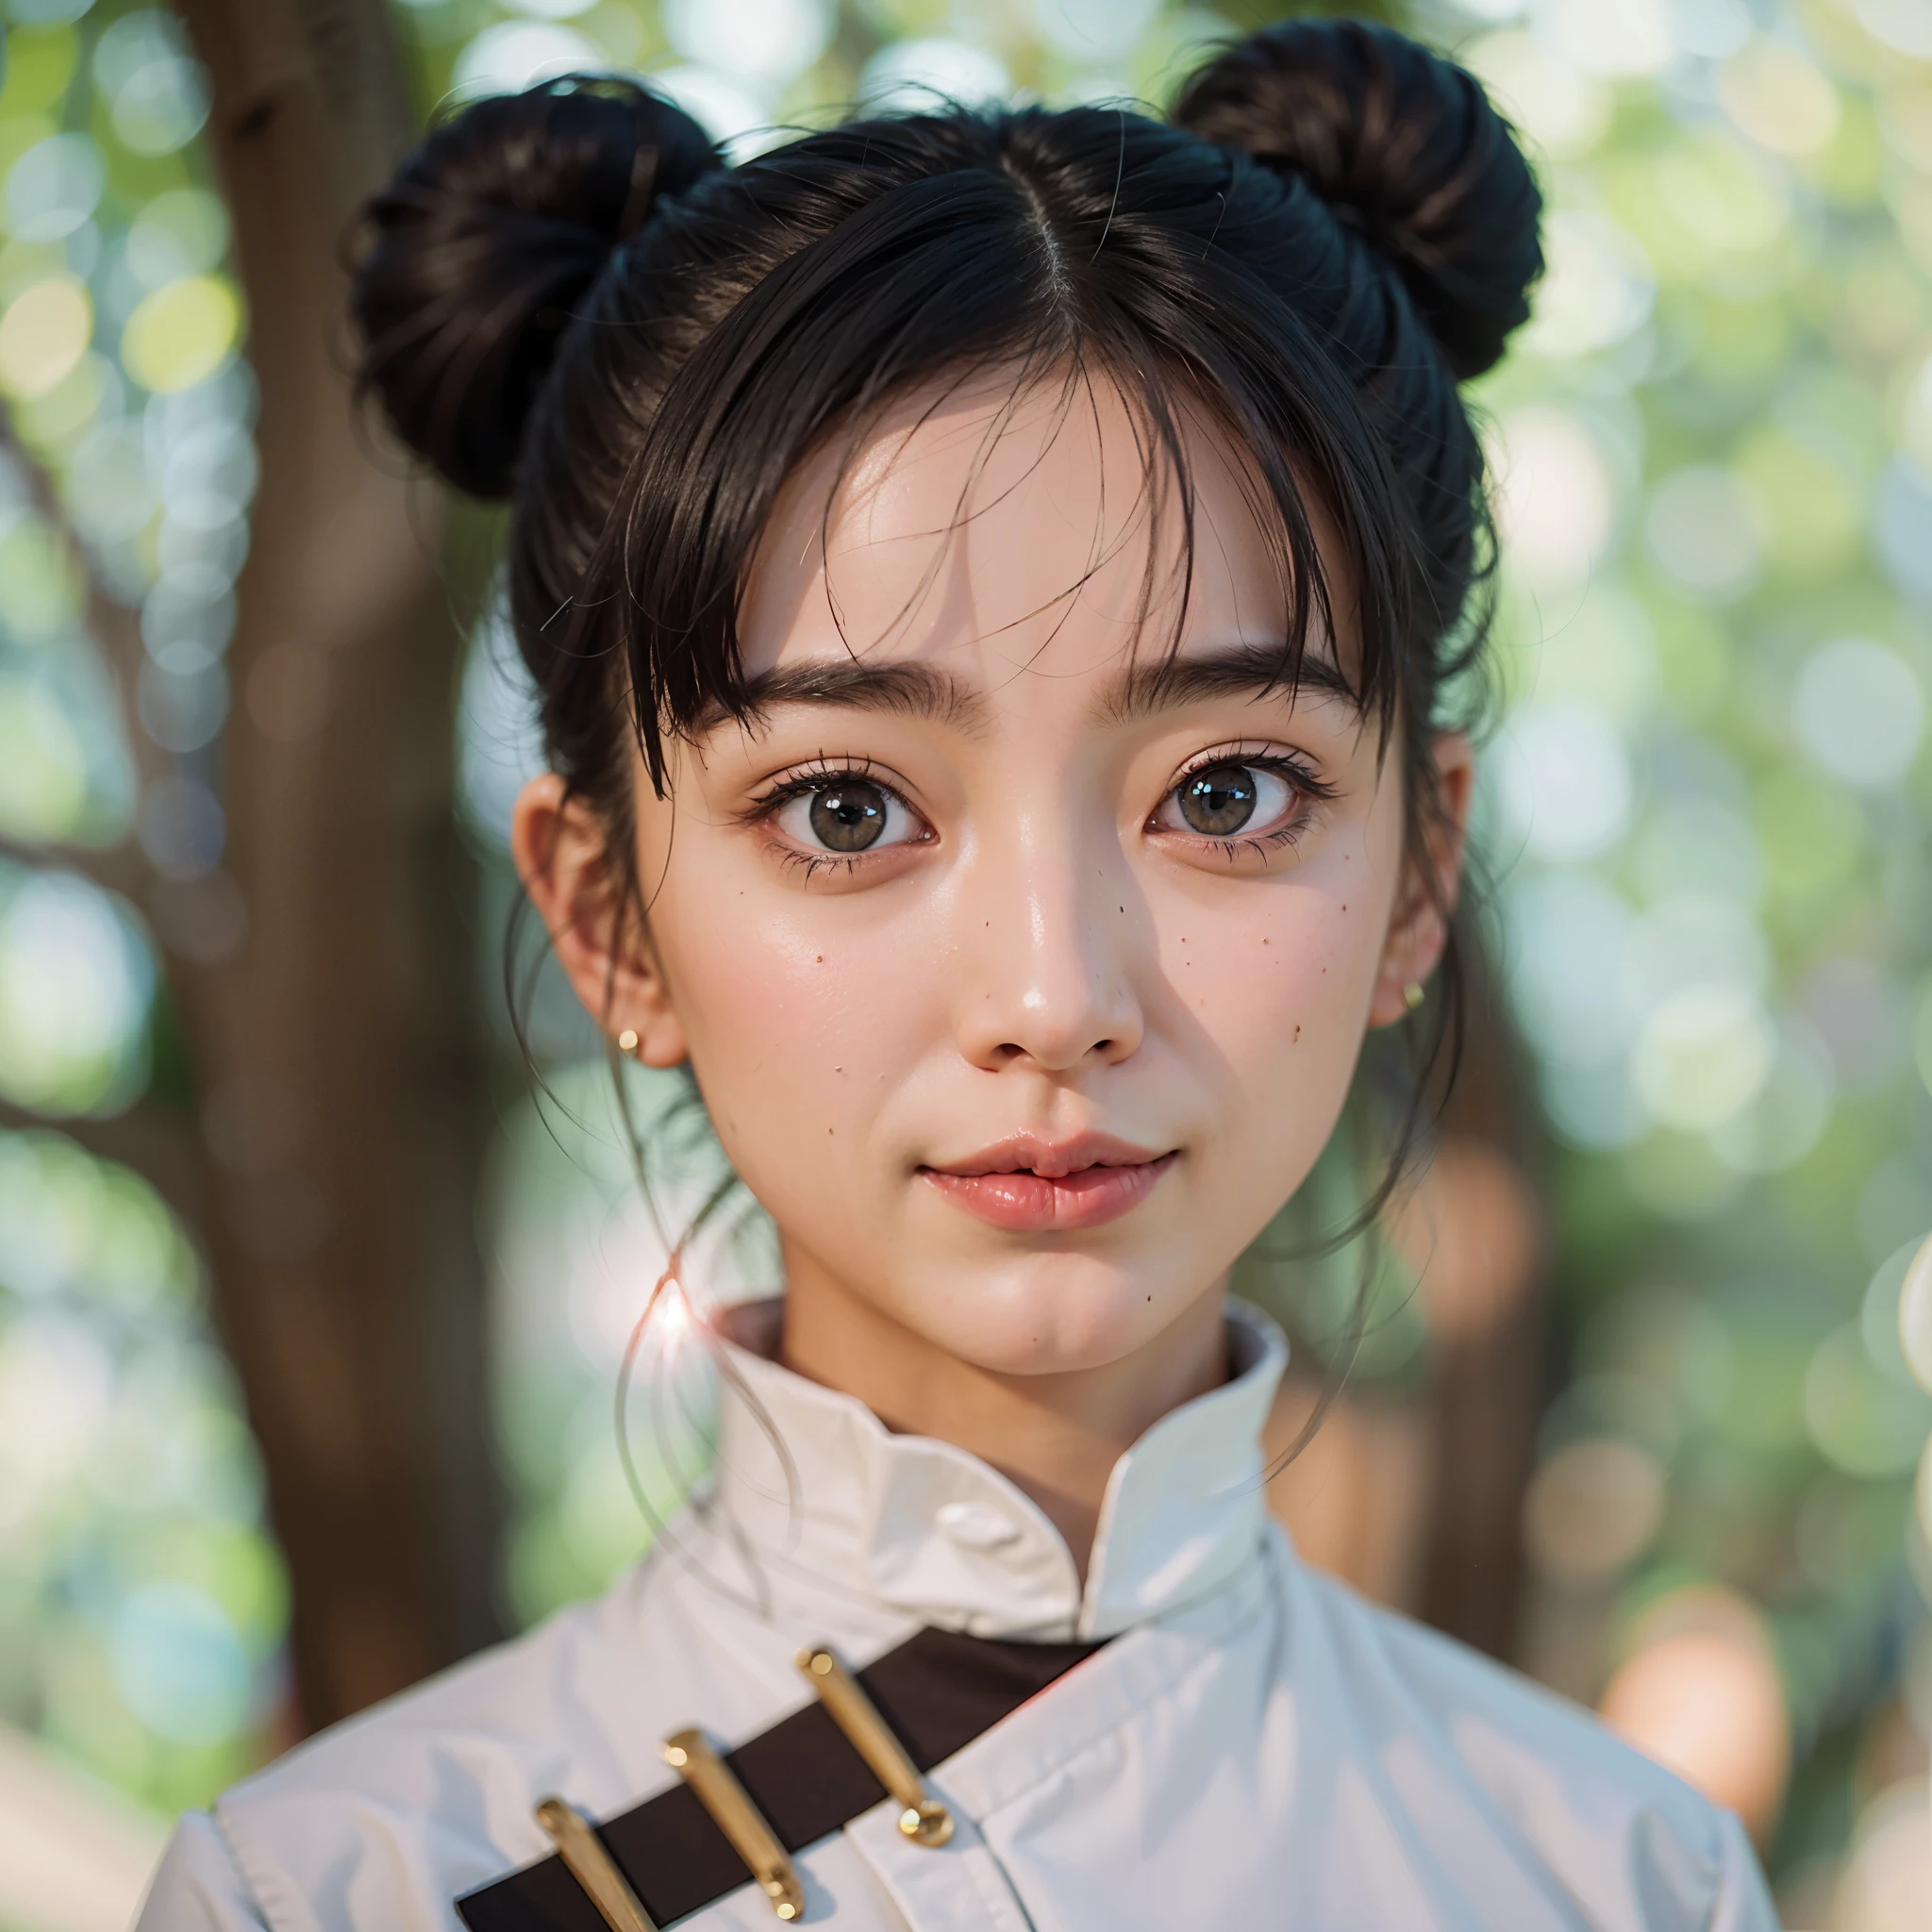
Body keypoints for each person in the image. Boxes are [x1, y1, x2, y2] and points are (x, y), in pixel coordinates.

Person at [136, 21, 1780, 1931]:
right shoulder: (338, 1890)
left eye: (1225, 790)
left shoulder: (1618, 1877)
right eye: (844, 807)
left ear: (1419, 866)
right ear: (602, 918)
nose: (1055, 990)